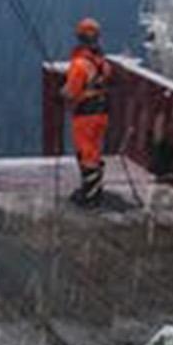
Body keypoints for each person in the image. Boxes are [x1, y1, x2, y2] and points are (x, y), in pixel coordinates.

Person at [64, 16, 112, 207]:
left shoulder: (79, 65)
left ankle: (91, 195)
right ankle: (93, 188)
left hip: (85, 114)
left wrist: (62, 93)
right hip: (102, 112)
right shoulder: (102, 63)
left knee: (86, 153)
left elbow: (72, 92)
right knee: (94, 151)